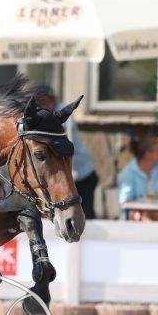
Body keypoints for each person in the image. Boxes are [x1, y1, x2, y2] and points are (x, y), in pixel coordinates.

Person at [39, 88, 97, 219]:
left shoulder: (63, 114)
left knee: (85, 215)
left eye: (46, 102)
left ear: (53, 101)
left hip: (82, 175)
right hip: (69, 175)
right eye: (41, 103)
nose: (43, 106)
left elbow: (65, 146)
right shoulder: (46, 115)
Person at [117, 133, 158, 220]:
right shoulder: (128, 173)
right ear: (148, 154)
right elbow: (125, 202)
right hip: (137, 219)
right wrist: (143, 214)